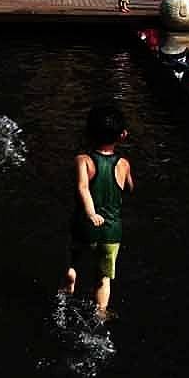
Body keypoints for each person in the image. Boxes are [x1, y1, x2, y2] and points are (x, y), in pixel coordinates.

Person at [60, 104, 134, 318]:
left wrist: (91, 214)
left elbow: (82, 187)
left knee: (73, 259)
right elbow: (129, 188)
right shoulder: (124, 164)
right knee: (103, 277)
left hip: (85, 227)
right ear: (123, 135)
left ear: (87, 132)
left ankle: (70, 280)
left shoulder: (83, 160)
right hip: (111, 232)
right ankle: (101, 312)